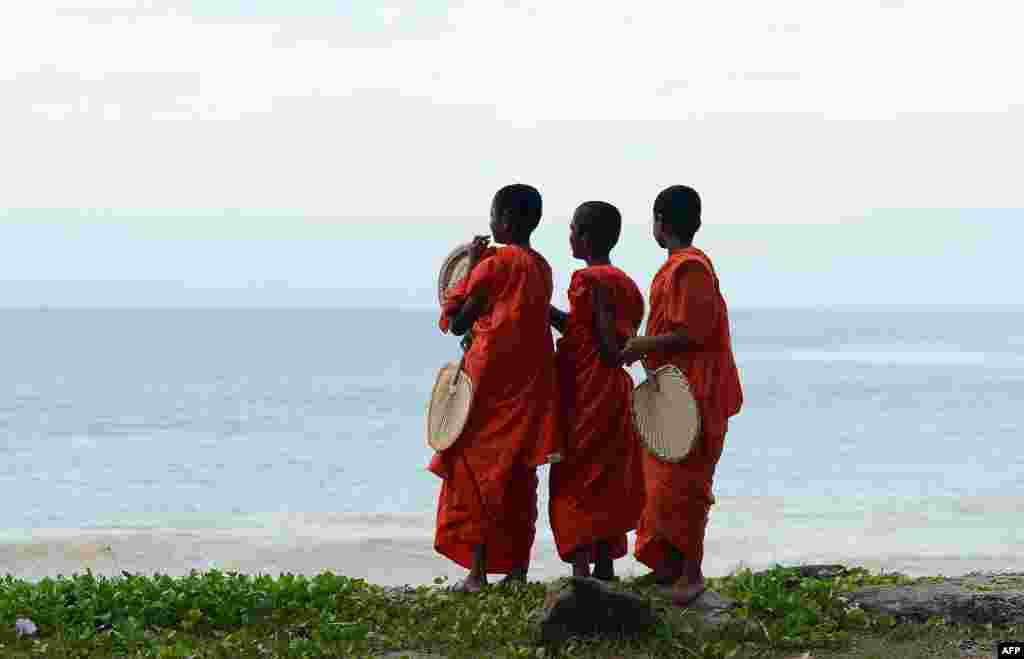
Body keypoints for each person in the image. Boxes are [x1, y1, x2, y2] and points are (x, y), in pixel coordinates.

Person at [430, 183, 564, 593]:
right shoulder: (542, 268)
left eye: (492, 216)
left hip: (487, 386)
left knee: (478, 474)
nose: (490, 223)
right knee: (518, 476)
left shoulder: (492, 266)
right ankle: (518, 571)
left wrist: (471, 263)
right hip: (529, 388)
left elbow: (457, 321)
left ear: (504, 221)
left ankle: (477, 574)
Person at [619, 185, 743, 606]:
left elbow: (694, 333)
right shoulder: (677, 266)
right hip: (676, 390)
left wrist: (642, 346)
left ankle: (691, 574)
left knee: (685, 486)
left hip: (697, 391)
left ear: (659, 222)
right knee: (662, 484)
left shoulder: (689, 269)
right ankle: (667, 567)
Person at [548, 201, 645, 581]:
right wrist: (547, 312)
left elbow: (602, 344)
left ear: (586, 236)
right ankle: (605, 565)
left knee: (576, 475)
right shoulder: (626, 283)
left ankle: (581, 568)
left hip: (587, 391)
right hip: (616, 393)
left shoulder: (588, 281)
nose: (569, 236)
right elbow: (583, 329)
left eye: (573, 229)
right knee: (607, 476)